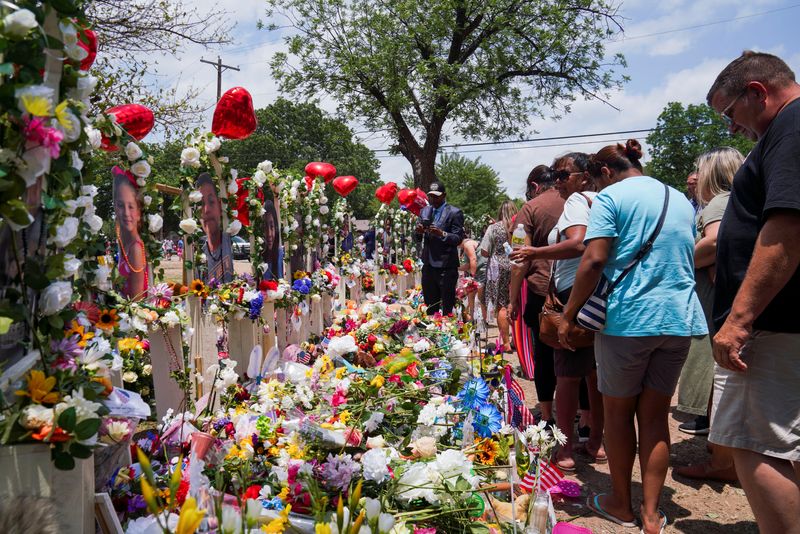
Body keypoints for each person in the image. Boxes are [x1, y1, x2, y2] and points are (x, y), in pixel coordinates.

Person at [558, 140, 706, 534]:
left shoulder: (610, 199)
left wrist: (569, 314)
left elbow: (594, 258)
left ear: (605, 173)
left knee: (620, 416)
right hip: (677, 319)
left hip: (629, 321)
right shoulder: (678, 197)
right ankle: (653, 513)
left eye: (594, 179)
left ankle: (621, 504)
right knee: (656, 419)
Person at [706, 51, 800, 534]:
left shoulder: (790, 126)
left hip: (768, 325)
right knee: (785, 444)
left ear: (758, 92)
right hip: (781, 323)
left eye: (730, 114)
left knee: (754, 446)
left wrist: (739, 321)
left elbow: (786, 225)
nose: (731, 128)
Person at [510, 152, 606, 471]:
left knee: (563, 371)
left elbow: (519, 254)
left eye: (563, 174)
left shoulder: (563, 204)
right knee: (594, 374)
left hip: (569, 298)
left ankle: (562, 439)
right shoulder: (604, 199)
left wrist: (514, 295)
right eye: (556, 175)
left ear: (582, 176)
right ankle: (595, 438)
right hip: (602, 297)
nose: (559, 180)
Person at [673, 147, 743, 482]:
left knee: (718, 382)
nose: (696, 178)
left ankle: (720, 463)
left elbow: (714, 243)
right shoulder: (741, 199)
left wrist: (676, 258)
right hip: (730, 302)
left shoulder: (717, 202)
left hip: (714, 306)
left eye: (700, 171)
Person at [509, 165, 564, 417]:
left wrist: (512, 300)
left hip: (542, 291)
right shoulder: (579, 200)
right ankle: (584, 418)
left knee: (543, 354)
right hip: (581, 289)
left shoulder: (530, 209)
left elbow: (520, 259)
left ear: (534, 186)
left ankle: (547, 412)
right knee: (582, 355)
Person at [416, 181, 464, 315]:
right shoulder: (424, 211)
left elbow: (458, 239)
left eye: (436, 196)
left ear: (444, 195)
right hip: (429, 265)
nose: (433, 199)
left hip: (446, 267)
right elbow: (418, 239)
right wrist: (418, 232)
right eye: (430, 196)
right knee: (430, 306)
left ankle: (449, 332)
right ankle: (431, 333)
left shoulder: (455, 213)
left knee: (448, 307)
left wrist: (441, 233)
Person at [482, 201, 518, 352]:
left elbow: (484, 251)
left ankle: (506, 342)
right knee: (515, 303)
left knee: (501, 305)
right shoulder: (519, 226)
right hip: (517, 265)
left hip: (498, 267)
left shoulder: (494, 228)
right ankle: (518, 340)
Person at [113, 167, 148, 299]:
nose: (126, 213)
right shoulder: (124, 242)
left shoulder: (135, 249)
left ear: (139, 213)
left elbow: (136, 300)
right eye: (121, 205)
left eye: (131, 207)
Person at [458, 233, 480, 322]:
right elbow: (468, 265)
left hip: (479, 273)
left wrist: (472, 276)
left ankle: (481, 319)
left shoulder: (467, 244)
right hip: (477, 272)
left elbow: (473, 260)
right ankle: (472, 317)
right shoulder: (467, 245)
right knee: (471, 293)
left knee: (479, 297)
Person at [261, 199, 280, 280]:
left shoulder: (280, 254)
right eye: (265, 227)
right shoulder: (256, 257)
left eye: (272, 227)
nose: (269, 234)